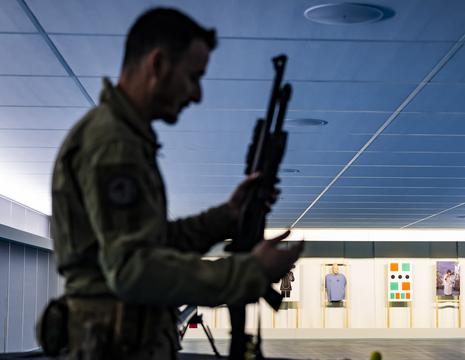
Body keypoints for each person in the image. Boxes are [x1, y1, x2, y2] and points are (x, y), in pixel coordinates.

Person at [45, 7, 302, 360]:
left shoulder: (125, 138)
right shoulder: (114, 144)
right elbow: (134, 270)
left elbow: (155, 243)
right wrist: (249, 271)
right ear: (158, 64)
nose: (196, 94)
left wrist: (228, 215)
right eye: (193, 76)